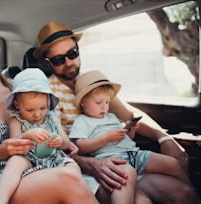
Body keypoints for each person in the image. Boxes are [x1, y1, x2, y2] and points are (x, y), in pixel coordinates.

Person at [33, 20, 198, 203]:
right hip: (86, 171)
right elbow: (53, 148)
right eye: (58, 59)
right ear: (48, 63)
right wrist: (92, 164)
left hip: (124, 158)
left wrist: (164, 138)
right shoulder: (47, 94)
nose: (68, 62)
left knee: (185, 194)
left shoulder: (91, 82)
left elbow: (129, 114)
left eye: (72, 53)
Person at [0, 22, 99, 204]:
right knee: (68, 180)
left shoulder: (22, 89)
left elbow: (54, 131)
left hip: (32, 169)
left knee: (76, 175)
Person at [69, 70, 194, 204]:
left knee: (174, 163)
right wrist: (105, 138)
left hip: (134, 154)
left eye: (107, 102)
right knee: (126, 176)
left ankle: (193, 189)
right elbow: (80, 146)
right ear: (83, 102)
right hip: (113, 159)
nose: (104, 107)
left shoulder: (111, 117)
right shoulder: (82, 121)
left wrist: (129, 132)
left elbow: (125, 140)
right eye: (98, 102)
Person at [0, 68, 82, 204]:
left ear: (48, 100)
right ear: (17, 104)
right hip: (28, 159)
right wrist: (27, 135)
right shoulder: (16, 119)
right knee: (14, 163)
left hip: (54, 157)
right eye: (29, 110)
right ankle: (1, 200)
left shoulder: (52, 117)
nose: (37, 114)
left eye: (42, 108)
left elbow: (66, 143)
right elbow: (14, 144)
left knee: (73, 167)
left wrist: (59, 142)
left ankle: (76, 195)